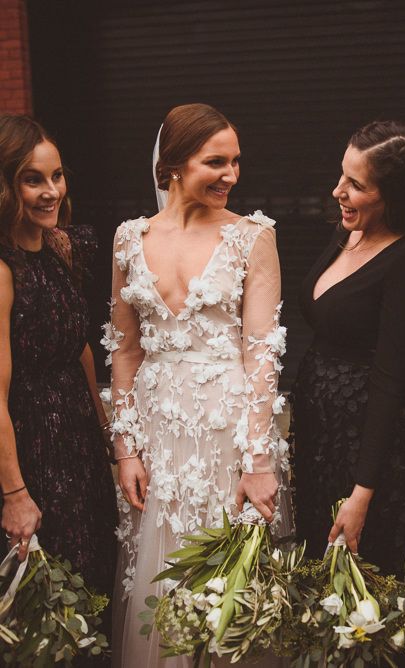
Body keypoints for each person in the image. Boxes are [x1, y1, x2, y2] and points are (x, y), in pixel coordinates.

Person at [107, 103, 291, 666]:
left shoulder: (252, 237)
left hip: (228, 431)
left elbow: (262, 353)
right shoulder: (128, 238)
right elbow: (123, 349)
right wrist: (125, 449)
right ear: (174, 165)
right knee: (160, 577)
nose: (231, 176)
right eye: (216, 162)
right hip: (158, 431)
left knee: (230, 584)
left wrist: (257, 461)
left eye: (236, 162)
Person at [290, 120, 405, 576]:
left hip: (366, 452)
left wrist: (362, 494)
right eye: (342, 175)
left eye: (356, 184)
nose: (338, 190)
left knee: (366, 591)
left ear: (393, 197)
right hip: (320, 439)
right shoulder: (349, 232)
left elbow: (389, 381)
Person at [0, 115, 118, 645]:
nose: (51, 192)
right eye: (33, 179)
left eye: (57, 176)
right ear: (6, 187)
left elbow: (79, 345)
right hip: (30, 450)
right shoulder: (2, 270)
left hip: (79, 443)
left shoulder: (65, 247)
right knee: (45, 608)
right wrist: (15, 494)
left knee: (92, 580)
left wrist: (107, 427)